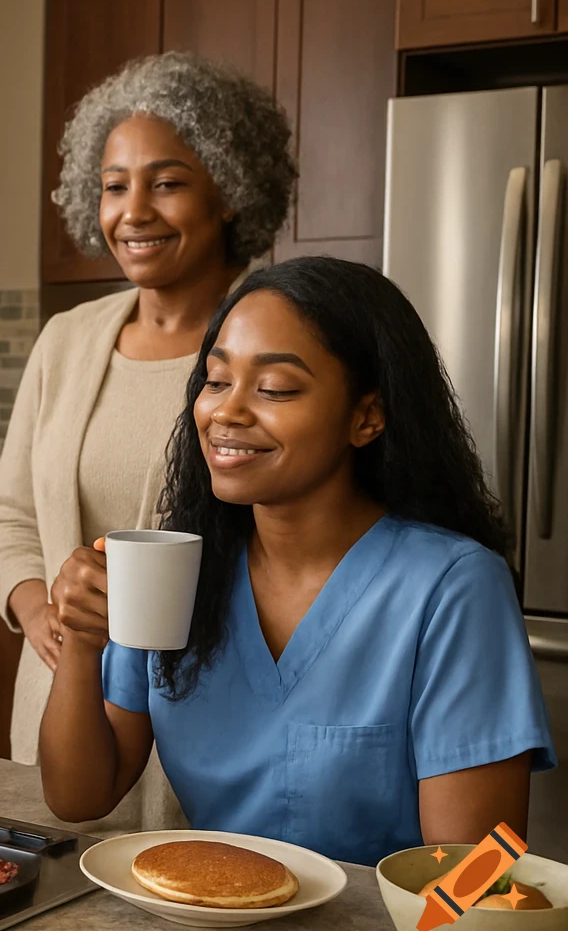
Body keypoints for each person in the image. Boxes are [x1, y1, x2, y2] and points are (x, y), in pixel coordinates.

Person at [37, 256, 557, 866]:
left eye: (275, 389)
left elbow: (478, 872)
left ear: (367, 416)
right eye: (215, 380)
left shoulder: (451, 587)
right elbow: (77, 796)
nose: (226, 412)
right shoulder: (175, 572)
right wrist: (80, 640)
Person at [0, 52, 295, 832]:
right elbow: (8, 515)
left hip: (209, 719)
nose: (134, 211)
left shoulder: (273, 341)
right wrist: (40, 613)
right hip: (68, 709)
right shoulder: (68, 339)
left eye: (168, 181)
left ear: (229, 188)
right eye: (115, 186)